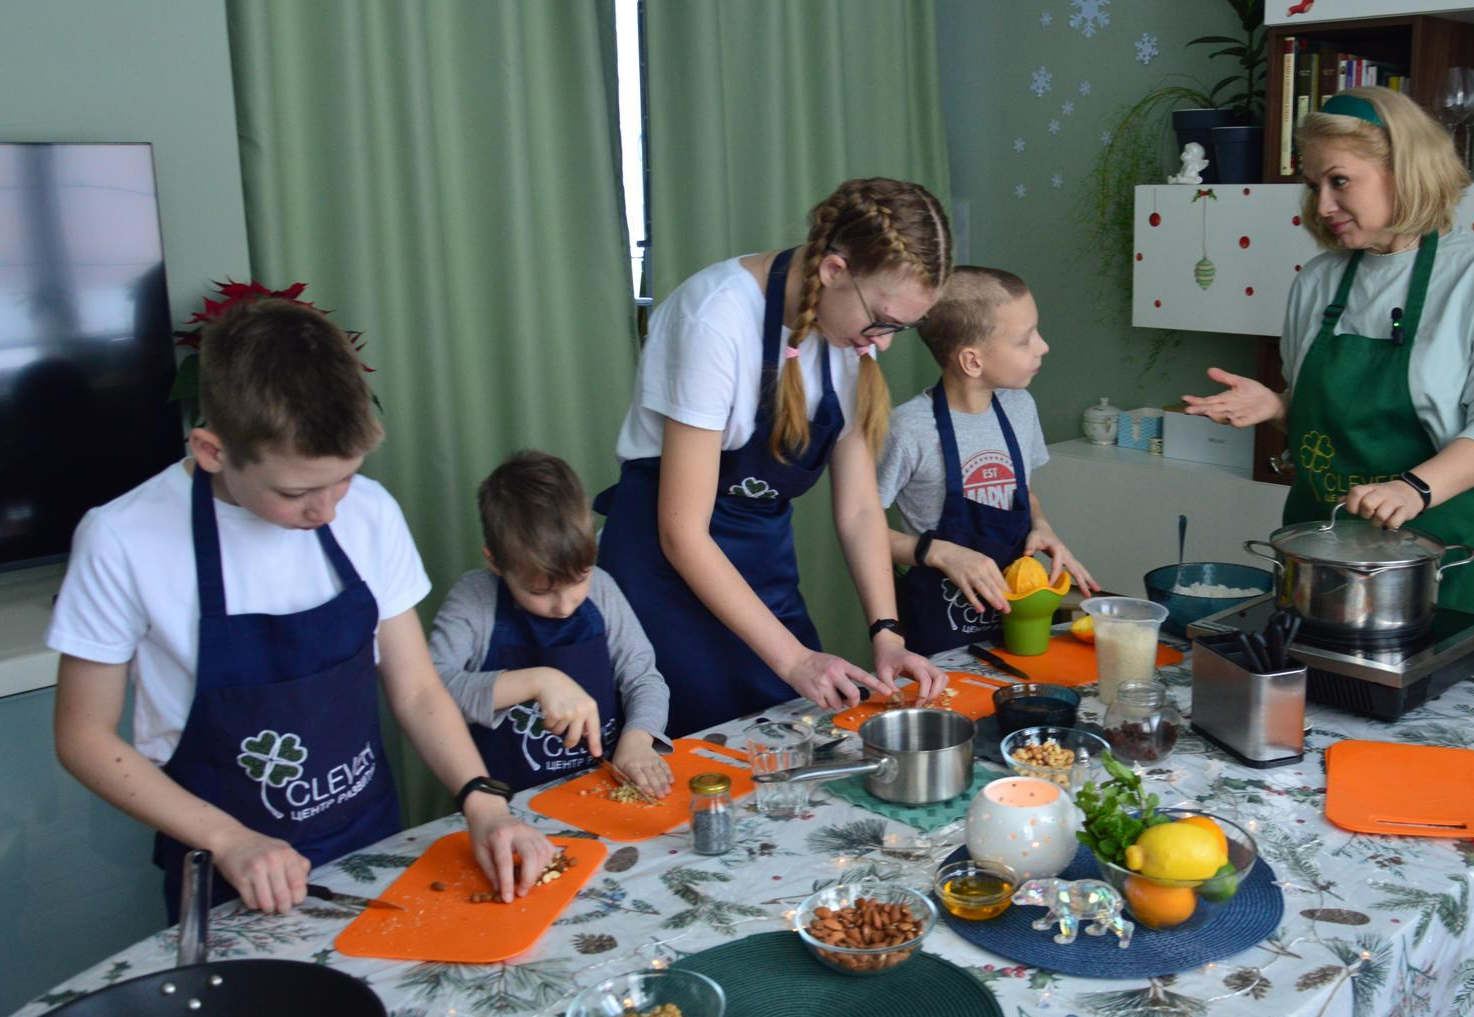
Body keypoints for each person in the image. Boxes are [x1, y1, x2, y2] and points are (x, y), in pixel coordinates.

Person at [48, 298, 555, 920]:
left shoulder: (370, 513)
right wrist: (230, 839)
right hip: (228, 865)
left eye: (344, 478)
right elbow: (83, 736)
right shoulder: (124, 538)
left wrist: (485, 803)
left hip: (370, 843)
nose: (329, 510)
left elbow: (419, 691)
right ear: (211, 449)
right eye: (296, 492)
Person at [596, 178, 952, 736]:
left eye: (901, 329)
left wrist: (887, 632)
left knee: (789, 745)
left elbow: (860, 509)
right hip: (662, 580)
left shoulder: (846, 339)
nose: (881, 344)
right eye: (882, 321)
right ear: (834, 271)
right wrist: (793, 659)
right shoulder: (713, 320)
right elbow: (682, 532)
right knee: (700, 765)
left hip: (762, 572)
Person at [1182, 86, 1474, 615]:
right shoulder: (1319, 281)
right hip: (1325, 547)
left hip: (1446, 548)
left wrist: (1413, 488)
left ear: (1404, 169)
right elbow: (1330, 426)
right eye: (1314, 185)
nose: (1323, 205)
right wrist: (1279, 407)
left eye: (1340, 180)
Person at [877, 266, 1098, 656]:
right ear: (972, 361)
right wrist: (942, 553)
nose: (1042, 346)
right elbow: (864, 534)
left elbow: (1021, 493)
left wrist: (1042, 526)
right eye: (1025, 338)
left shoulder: (1020, 408)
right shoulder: (907, 429)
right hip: (938, 631)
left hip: (1017, 623)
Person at [429, 450, 672, 797]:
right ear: (496, 562)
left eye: (580, 578)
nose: (565, 604)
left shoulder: (602, 589)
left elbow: (643, 676)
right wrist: (536, 681)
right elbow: (430, 695)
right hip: (505, 804)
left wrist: (638, 739)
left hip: (602, 786)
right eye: (541, 591)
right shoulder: (474, 600)